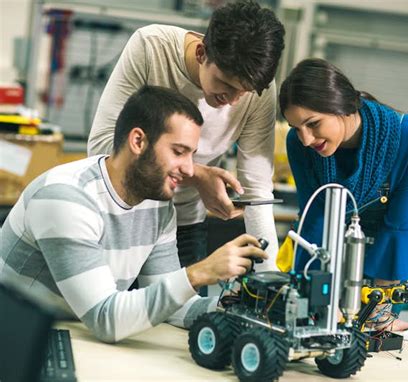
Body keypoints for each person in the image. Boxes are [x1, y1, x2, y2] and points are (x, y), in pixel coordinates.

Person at [0, 86, 267, 343]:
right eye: (178, 152)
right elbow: (106, 318)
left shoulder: (156, 203)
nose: (189, 169)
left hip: (71, 333)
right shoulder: (66, 197)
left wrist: (236, 306)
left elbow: (172, 306)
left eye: (192, 155)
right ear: (138, 141)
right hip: (14, 337)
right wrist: (200, 272)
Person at [87, 1, 285, 270]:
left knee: (186, 312)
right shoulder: (151, 48)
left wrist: (268, 276)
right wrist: (197, 176)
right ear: (202, 53)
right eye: (226, 84)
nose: (234, 101)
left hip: (184, 225)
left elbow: (257, 189)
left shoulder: (259, 88)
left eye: (244, 91)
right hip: (122, 218)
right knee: (119, 309)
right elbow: (101, 148)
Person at [279, 58, 408, 330]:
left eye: (313, 124)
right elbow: (314, 217)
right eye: (296, 128)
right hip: (325, 262)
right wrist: (305, 294)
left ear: (342, 107)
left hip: (382, 274)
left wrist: (378, 310)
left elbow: (400, 226)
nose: (305, 139)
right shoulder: (299, 144)